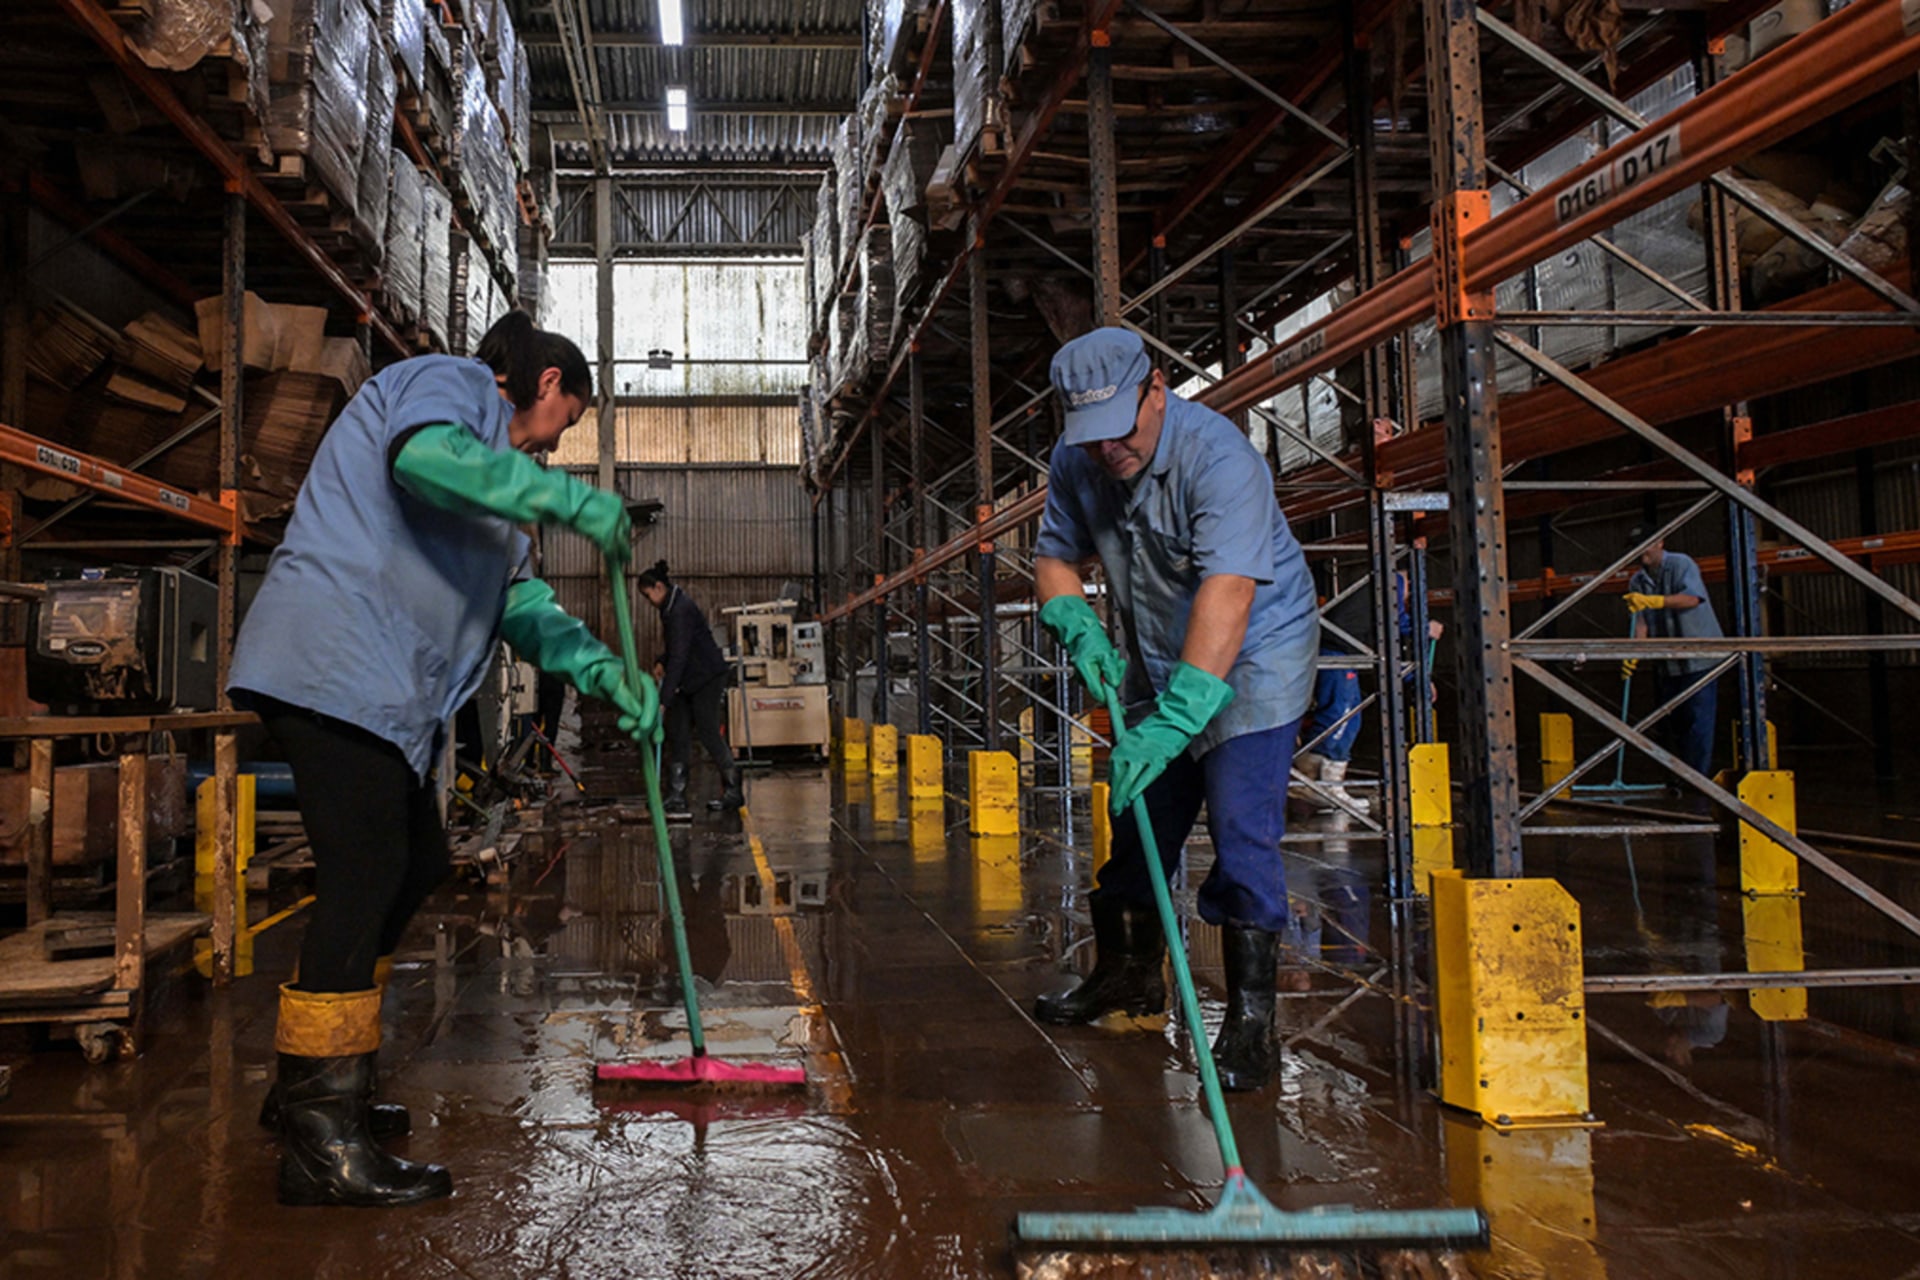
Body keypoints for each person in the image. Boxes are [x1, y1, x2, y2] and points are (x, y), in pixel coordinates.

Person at [229, 311, 659, 1207]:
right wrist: (564, 499)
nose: (555, 449)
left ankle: (321, 1081)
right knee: (368, 869)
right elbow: (421, 464)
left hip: (381, 697)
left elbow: (520, 607)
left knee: (415, 863)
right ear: (546, 386)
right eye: (567, 422)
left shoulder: (505, 507)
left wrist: (602, 668)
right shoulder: (450, 386)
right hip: (330, 659)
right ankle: (318, 1141)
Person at [1030, 327, 1320, 1092]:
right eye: (1089, 437)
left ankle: (1253, 1023)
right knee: (1138, 824)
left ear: (1157, 388)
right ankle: (1130, 977)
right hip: (1157, 654)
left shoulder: (1220, 459)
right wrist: (1077, 622)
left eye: (1120, 429)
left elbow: (1229, 591)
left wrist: (1181, 713)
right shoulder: (1079, 460)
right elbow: (1054, 557)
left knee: (1238, 829)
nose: (1107, 451)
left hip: (1253, 661)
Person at [1296, 568, 1443, 811]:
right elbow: (1400, 626)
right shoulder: (1391, 581)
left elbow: (1393, 645)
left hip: (1342, 652)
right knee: (1341, 714)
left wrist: (1416, 677)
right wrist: (1425, 629)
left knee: (1349, 714)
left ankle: (1319, 779)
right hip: (1338, 652)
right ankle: (1322, 782)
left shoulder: (1378, 592)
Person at [638, 560, 743, 815]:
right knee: (679, 733)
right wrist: (662, 661)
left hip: (706, 677)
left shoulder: (680, 609)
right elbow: (676, 650)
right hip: (688, 679)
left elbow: (681, 655)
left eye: (648, 594)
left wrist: (664, 698)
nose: (648, 601)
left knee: (708, 731)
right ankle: (676, 794)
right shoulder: (670, 606)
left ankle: (733, 791)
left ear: (659, 587)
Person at [1622, 533, 1722, 780]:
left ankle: (1697, 779)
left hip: (1699, 658)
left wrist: (1655, 600)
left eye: (1644, 544)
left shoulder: (1681, 564)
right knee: (1674, 721)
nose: (1640, 551)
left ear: (1659, 542)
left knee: (1698, 721)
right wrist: (1633, 653)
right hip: (1669, 662)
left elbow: (1692, 598)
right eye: (1635, 548)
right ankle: (1679, 775)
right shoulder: (1637, 581)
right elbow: (1641, 621)